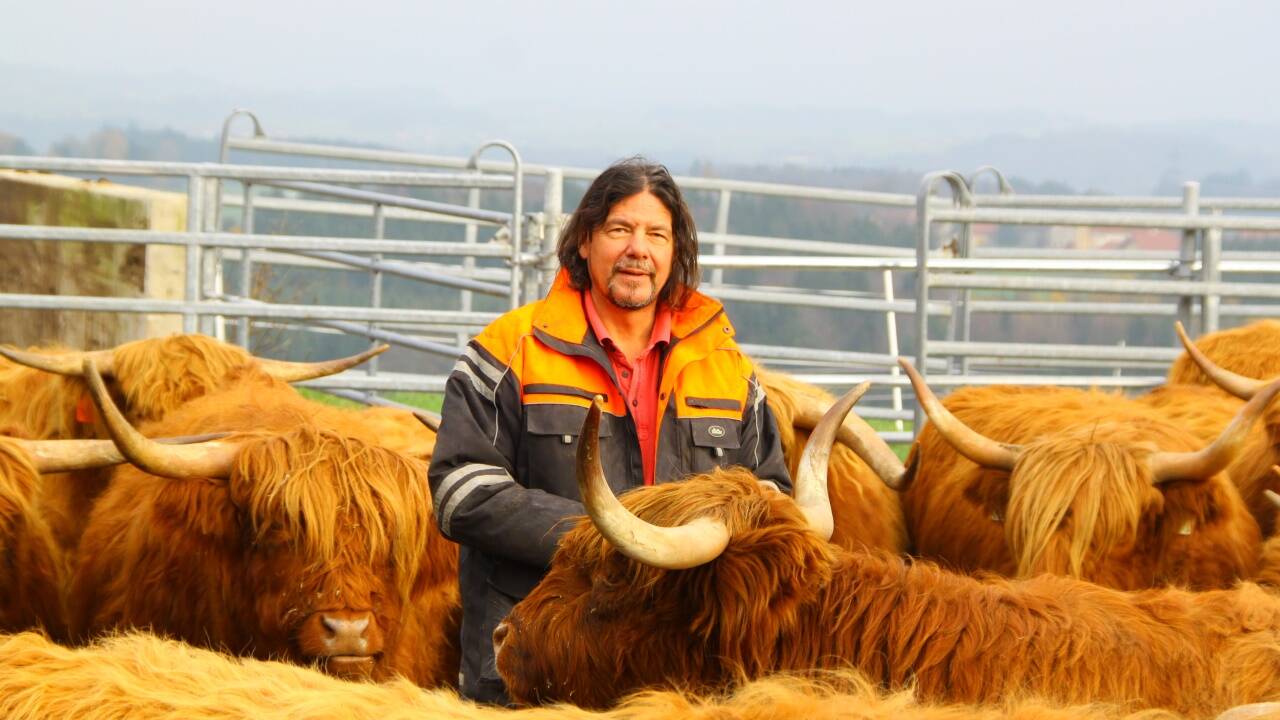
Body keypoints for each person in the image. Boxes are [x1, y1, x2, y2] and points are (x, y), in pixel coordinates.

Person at [427, 157, 792, 704]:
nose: (637, 250)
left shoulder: (727, 365)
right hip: (532, 663)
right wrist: (604, 539)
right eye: (619, 229)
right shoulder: (511, 349)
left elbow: (773, 500)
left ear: (675, 253)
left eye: (656, 234)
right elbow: (460, 492)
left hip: (675, 683)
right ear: (583, 242)